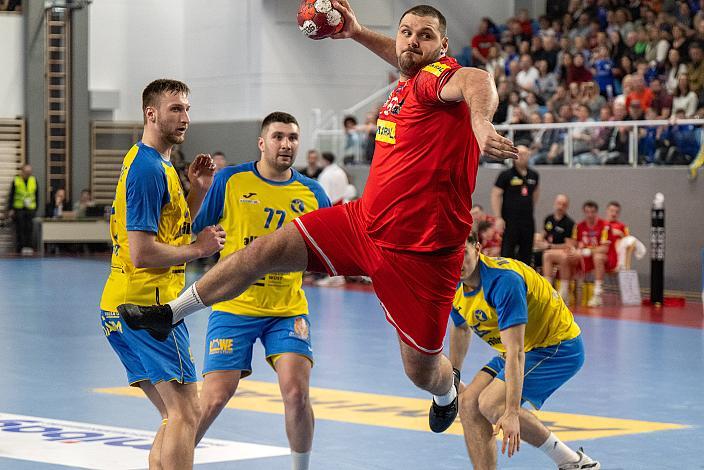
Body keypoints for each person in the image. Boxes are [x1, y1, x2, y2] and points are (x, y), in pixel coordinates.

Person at [118, 2, 517, 436]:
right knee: (264, 249)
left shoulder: (437, 81)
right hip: (362, 224)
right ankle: (170, 314)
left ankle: (447, 393)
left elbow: (479, 80)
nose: (411, 42)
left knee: (421, 370)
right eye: (405, 32)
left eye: (425, 35)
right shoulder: (407, 79)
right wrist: (357, 32)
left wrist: (480, 122)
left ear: (443, 46)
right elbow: (404, 56)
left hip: (422, 257)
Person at [99, 79, 226, 470]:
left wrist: (198, 192)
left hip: (128, 307)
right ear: (150, 113)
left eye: (187, 108)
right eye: (175, 109)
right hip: (146, 309)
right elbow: (142, 253)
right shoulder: (148, 170)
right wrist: (201, 250)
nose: (185, 117)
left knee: (176, 416)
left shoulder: (161, 164)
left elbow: (168, 231)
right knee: (187, 413)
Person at [193, 112, 329, 470]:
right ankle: (171, 458)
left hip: (287, 309)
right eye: (279, 137)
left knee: (297, 395)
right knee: (214, 399)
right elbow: (195, 227)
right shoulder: (230, 180)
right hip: (233, 305)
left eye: (293, 138)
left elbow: (331, 248)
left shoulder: (312, 193)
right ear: (262, 142)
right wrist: (198, 194)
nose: (286, 144)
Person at [450, 232, 600, 469]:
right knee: (468, 403)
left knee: (491, 405)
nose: (456, 262)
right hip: (519, 347)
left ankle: (573, 463)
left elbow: (517, 352)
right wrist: (453, 376)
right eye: (449, 255)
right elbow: (460, 329)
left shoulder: (503, 281)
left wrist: (510, 412)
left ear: (477, 248)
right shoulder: (450, 282)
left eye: (463, 253)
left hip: (557, 346)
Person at [492, 145, 539, 265]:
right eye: (519, 154)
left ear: (529, 155)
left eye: (524, 154)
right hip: (510, 221)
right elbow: (496, 195)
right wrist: (498, 217)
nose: (522, 157)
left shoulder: (534, 175)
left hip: (527, 221)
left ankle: (525, 281)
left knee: (527, 253)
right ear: (514, 156)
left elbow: (535, 195)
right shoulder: (505, 175)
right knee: (508, 253)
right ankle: (506, 280)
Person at [539, 194, 577, 301]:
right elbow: (544, 233)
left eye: (563, 205)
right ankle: (547, 289)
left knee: (555, 256)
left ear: (567, 207)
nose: (560, 206)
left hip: (561, 251)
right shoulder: (549, 219)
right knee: (541, 255)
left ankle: (563, 292)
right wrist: (538, 239)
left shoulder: (569, 223)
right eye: (559, 203)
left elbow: (569, 245)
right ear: (554, 204)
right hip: (547, 250)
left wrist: (550, 246)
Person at [6, 163, 38, 254]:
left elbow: (36, 194)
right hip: (19, 208)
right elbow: (12, 195)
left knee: (29, 228)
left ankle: (29, 246)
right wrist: (10, 208)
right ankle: (20, 247)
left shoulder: (33, 180)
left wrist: (35, 208)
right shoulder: (16, 180)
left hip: (30, 208)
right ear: (22, 172)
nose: (28, 174)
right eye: (26, 172)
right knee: (20, 228)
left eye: (30, 172)